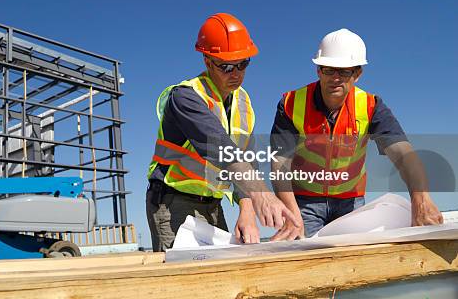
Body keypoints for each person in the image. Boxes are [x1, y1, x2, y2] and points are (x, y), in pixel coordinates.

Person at [270, 28, 444, 239]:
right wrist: (290, 211)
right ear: (318, 70)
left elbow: (402, 154)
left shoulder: (371, 106)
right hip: (304, 202)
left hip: (351, 202)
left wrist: (421, 199)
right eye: (329, 70)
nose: (336, 78)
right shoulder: (290, 103)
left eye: (344, 72)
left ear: (357, 74)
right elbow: (280, 161)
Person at [146, 13, 296, 252]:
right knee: (184, 280)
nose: (235, 73)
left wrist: (247, 211)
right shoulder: (186, 97)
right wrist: (262, 195)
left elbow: (247, 161)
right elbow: (220, 148)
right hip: (173, 200)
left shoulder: (243, 103)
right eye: (226, 66)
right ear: (207, 61)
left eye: (242, 64)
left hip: (213, 203)